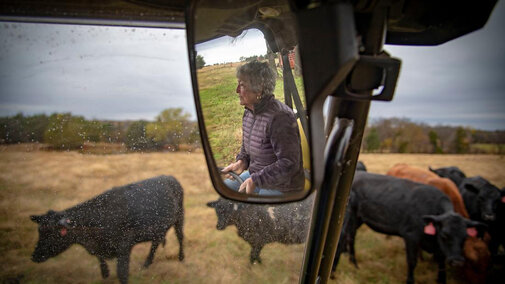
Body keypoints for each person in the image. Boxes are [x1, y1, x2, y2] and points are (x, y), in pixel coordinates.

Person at [222, 60, 305, 195]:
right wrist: (242, 162)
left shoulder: (280, 117)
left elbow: (289, 163)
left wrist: (256, 180)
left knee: (259, 209)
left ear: (259, 88)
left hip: (283, 186)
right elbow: (246, 146)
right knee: (225, 192)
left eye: (242, 85)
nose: (237, 90)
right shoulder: (249, 112)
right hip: (256, 177)